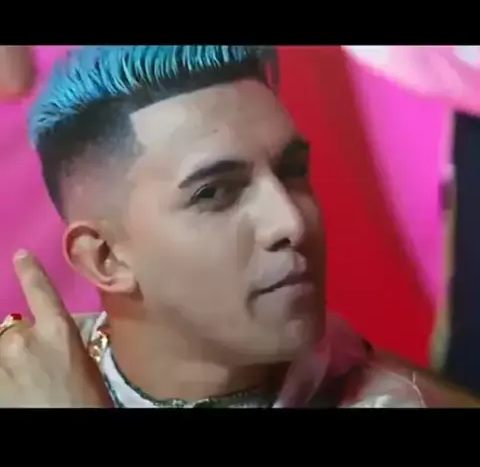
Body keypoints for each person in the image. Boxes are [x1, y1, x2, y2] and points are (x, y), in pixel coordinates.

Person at [0, 45, 476, 408]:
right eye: (215, 193)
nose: (291, 221)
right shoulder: (25, 374)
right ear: (106, 258)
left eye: (293, 172)